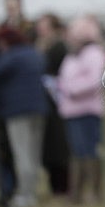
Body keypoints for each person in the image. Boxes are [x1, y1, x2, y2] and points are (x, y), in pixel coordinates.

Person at [0, 24, 48, 207]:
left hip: (17, 112)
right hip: (38, 109)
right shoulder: (32, 53)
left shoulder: (11, 56)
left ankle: (26, 196)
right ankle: (32, 192)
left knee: (22, 155)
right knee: (33, 154)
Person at [56, 15, 105, 204]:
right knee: (77, 152)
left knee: (89, 151)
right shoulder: (73, 55)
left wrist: (71, 88)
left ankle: (95, 192)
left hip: (87, 111)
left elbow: (95, 79)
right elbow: (64, 77)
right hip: (71, 111)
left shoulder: (94, 53)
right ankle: (77, 194)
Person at [35, 13, 70, 196]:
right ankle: (53, 184)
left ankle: (62, 185)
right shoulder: (41, 45)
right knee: (48, 144)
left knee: (59, 144)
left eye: (45, 26)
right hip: (46, 103)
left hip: (59, 102)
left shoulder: (59, 46)